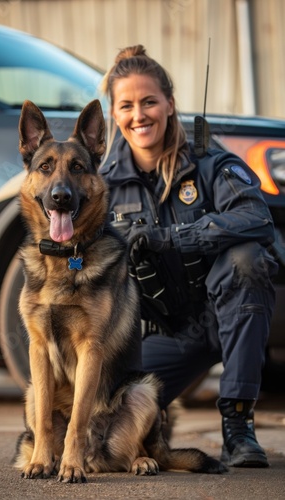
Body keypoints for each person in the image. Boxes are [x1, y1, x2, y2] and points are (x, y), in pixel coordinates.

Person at [100, 45, 279, 468]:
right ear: (114, 113)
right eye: (126, 105)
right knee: (115, 424)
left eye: (149, 102)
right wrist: (68, 266)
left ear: (170, 105)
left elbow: (257, 218)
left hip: (226, 312)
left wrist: (174, 237)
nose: (139, 115)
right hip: (165, 334)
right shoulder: (101, 185)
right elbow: (78, 261)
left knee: (247, 258)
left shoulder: (210, 162)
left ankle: (237, 426)